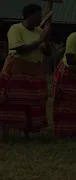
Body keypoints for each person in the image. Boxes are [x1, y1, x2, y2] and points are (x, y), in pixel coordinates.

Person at [0, 4, 51, 139]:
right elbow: (19, 49)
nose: (40, 19)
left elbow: (48, 51)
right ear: (30, 15)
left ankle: (27, 131)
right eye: (38, 16)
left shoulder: (40, 31)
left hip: (35, 70)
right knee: (12, 100)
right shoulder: (15, 29)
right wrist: (39, 40)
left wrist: (46, 38)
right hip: (17, 68)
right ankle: (6, 132)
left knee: (33, 101)